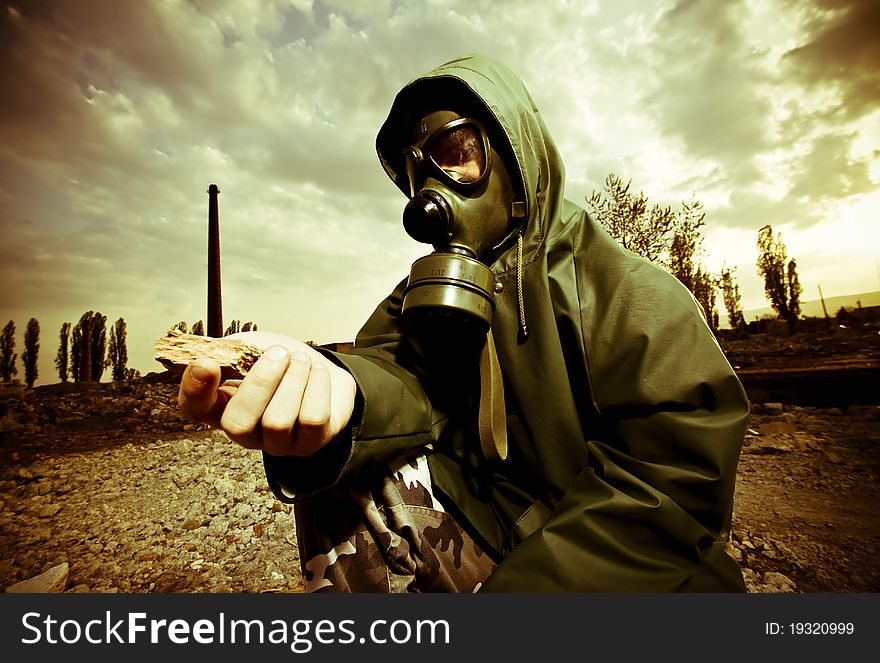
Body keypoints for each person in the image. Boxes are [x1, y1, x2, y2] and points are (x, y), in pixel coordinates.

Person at [178, 54, 749, 592]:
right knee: (339, 455)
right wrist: (336, 392)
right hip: (502, 527)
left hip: (625, 582)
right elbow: (391, 374)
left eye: (454, 151)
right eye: (414, 172)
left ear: (513, 157)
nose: (428, 193)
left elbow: (669, 487)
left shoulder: (627, 294)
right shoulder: (422, 296)